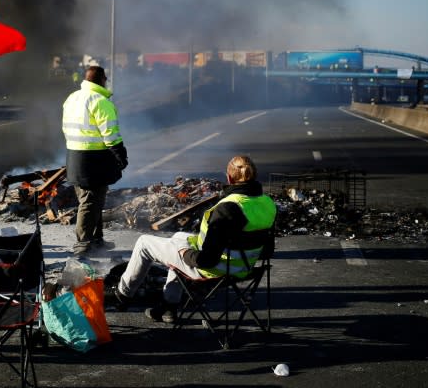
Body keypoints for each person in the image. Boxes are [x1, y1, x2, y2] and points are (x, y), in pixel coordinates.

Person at [108, 155, 276, 324]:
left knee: (144, 242)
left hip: (214, 271)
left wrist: (185, 253)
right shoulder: (267, 203)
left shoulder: (227, 208)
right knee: (178, 237)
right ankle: (168, 306)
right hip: (245, 268)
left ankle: (122, 295)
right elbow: (267, 250)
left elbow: (206, 261)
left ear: (229, 177)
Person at [62, 65, 128, 256]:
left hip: (75, 156)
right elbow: (110, 134)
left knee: (94, 200)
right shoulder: (100, 101)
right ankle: (82, 245)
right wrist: (120, 155)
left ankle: (97, 240)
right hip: (94, 159)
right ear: (102, 80)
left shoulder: (72, 98)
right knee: (90, 202)